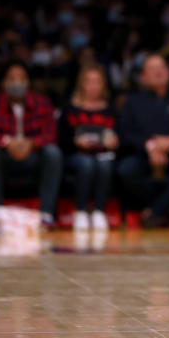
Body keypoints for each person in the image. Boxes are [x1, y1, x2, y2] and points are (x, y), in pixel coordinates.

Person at [118, 55, 169, 228]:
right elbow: (125, 134)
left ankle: (154, 211)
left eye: (162, 67)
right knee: (125, 170)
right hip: (143, 153)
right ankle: (166, 209)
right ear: (143, 77)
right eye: (152, 68)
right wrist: (151, 147)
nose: (159, 71)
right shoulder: (134, 101)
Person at [0, 62, 63, 227]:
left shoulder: (42, 103)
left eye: (21, 78)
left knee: (53, 153)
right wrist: (7, 142)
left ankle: (46, 213)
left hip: (33, 157)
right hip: (4, 157)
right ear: (3, 83)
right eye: (12, 78)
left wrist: (31, 143)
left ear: (28, 82)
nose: (17, 83)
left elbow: (50, 135)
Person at [58, 64, 119, 231]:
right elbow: (61, 138)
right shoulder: (70, 108)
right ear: (81, 84)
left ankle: (99, 211)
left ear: (103, 85)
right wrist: (76, 142)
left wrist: (114, 142)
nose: (93, 86)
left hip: (103, 154)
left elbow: (119, 136)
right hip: (76, 154)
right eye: (89, 81)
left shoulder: (111, 110)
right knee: (86, 164)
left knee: (104, 164)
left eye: (97, 82)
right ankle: (81, 211)